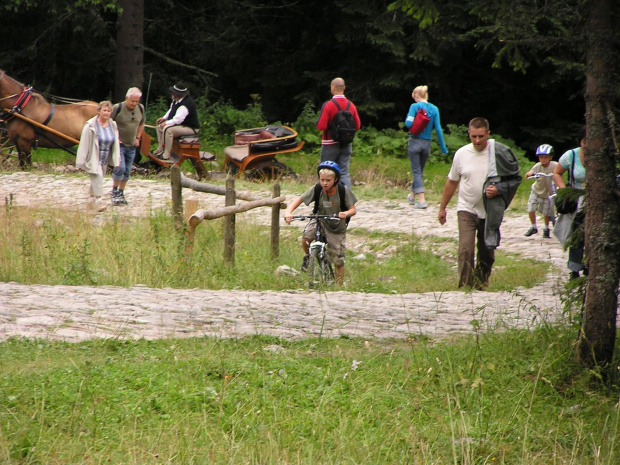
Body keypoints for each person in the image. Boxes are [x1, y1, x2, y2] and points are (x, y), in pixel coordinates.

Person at [437, 117, 521, 289]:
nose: (477, 140)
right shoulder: (461, 154)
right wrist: (442, 208)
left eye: (481, 136)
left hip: (489, 212)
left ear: (488, 134)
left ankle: (481, 284)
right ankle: (465, 287)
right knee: (465, 249)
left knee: (487, 252)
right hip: (466, 208)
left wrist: (499, 189)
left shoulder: (499, 154)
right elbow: (452, 181)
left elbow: (515, 180)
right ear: (469, 134)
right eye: (473, 136)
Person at [284, 161, 357, 285]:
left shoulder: (342, 190)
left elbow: (353, 209)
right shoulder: (317, 188)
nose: (324, 183)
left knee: (338, 260)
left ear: (336, 179)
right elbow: (300, 199)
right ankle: (308, 257)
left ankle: (338, 287)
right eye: (322, 179)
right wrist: (289, 212)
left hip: (336, 226)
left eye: (328, 180)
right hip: (320, 219)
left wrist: (346, 213)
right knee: (306, 237)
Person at [404, 85, 449, 209]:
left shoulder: (414, 107)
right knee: (419, 171)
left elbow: (408, 123)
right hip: (427, 143)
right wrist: (443, 148)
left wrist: (412, 120)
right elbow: (438, 129)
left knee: (416, 171)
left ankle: (422, 200)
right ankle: (412, 196)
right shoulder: (434, 109)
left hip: (414, 142)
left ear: (416, 96)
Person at [553, 128, 587, 280]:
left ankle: (590, 265)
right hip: (577, 200)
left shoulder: (603, 156)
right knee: (577, 234)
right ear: (581, 141)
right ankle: (574, 268)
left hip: (598, 199)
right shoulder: (571, 155)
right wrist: (564, 191)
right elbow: (557, 173)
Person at [315, 77, 361, 189]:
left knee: (326, 172)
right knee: (344, 173)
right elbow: (358, 126)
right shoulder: (351, 105)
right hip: (346, 144)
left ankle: (326, 200)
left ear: (333, 88)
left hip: (330, 144)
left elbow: (321, 126)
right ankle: (347, 201)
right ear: (344, 88)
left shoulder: (329, 105)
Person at [76, 101, 121, 212]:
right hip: (93, 157)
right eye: (104, 110)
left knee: (97, 179)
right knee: (98, 178)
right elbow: (84, 144)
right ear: (99, 111)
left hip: (105, 157)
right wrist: (80, 162)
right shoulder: (91, 125)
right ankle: (99, 201)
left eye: (109, 111)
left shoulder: (112, 125)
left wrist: (117, 160)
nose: (106, 113)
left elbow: (115, 144)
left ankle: (90, 201)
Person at [110, 87, 145, 206]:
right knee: (120, 168)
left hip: (132, 145)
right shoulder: (117, 108)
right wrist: (115, 138)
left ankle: (121, 192)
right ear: (126, 98)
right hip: (119, 144)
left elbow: (141, 123)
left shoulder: (140, 108)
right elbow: (108, 123)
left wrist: (138, 137)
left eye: (136, 101)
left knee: (127, 171)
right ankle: (114, 191)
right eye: (132, 101)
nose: (134, 104)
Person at [152, 83, 200, 161]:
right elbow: (171, 110)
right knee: (159, 125)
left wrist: (166, 123)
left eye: (174, 92)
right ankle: (160, 149)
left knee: (168, 130)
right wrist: (164, 118)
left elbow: (178, 120)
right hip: (181, 125)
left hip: (190, 128)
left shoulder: (185, 104)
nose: (172, 94)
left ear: (179, 94)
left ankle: (166, 154)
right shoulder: (176, 100)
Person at [524, 144, 557, 238]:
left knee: (546, 212)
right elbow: (530, 173)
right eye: (541, 157)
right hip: (536, 191)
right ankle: (533, 226)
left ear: (550, 157)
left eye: (546, 157)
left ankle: (546, 228)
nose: (543, 159)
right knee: (530, 208)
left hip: (548, 193)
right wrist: (529, 174)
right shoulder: (538, 166)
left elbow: (560, 170)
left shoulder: (554, 165)